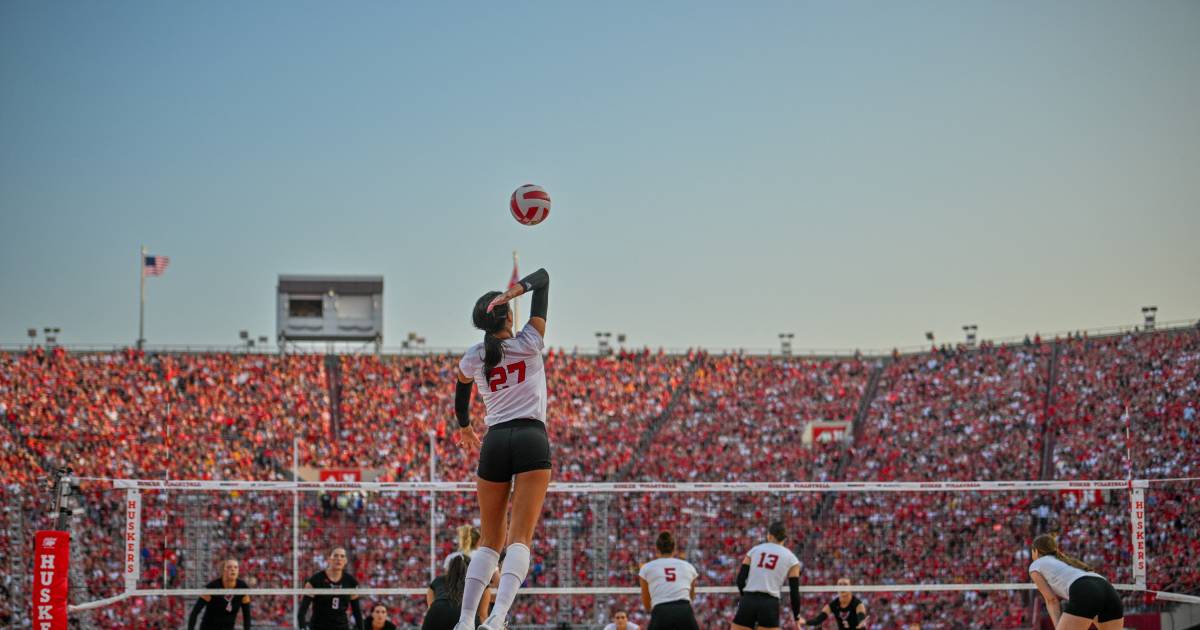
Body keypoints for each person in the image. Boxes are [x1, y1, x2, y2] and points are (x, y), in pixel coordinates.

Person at [452, 267, 552, 630]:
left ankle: (465, 620)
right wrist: (517, 291)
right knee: (520, 538)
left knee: (489, 541)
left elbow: (461, 391)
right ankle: (498, 617)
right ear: (509, 315)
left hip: (494, 440)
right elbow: (543, 277)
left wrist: (464, 426)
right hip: (530, 436)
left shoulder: (474, 355)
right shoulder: (529, 341)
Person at [1029, 534, 1124, 629]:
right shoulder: (1065, 560)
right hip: (1107, 588)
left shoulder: (1036, 565)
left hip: (1085, 589)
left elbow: (1052, 601)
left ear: (1035, 551)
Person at [732, 521, 801, 630]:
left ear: (769, 535)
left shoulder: (754, 551)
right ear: (785, 538)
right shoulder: (792, 559)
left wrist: (745, 599)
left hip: (749, 599)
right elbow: (794, 593)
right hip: (769, 603)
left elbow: (740, 580)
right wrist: (797, 616)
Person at [638, 531, 699, 630]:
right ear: (674, 549)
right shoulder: (688, 567)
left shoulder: (647, 568)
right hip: (684, 610)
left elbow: (646, 602)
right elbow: (691, 596)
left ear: (657, 549)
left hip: (661, 611)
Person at [298, 547, 363, 630]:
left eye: (342, 556)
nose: (339, 559)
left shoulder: (351, 582)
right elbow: (302, 611)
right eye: (335, 556)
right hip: (318, 627)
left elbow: (357, 612)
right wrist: (302, 628)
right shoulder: (315, 580)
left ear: (346, 561)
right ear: (329, 559)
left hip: (341, 627)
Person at [424, 555, 491, 630]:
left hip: (437, 612)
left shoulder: (436, 582)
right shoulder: (480, 583)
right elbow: (482, 615)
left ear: (450, 567)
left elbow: (431, 607)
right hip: (466, 615)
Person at [187, 558, 250, 630]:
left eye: (236, 567)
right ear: (223, 570)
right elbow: (195, 612)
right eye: (229, 567)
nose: (233, 569)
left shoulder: (242, 587)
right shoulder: (212, 587)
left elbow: (247, 615)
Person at [799, 578, 867, 629]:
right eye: (840, 584)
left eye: (845, 584)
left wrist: (861, 624)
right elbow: (818, 620)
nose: (842, 587)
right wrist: (805, 621)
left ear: (851, 587)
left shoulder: (858, 604)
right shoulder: (833, 605)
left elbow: (861, 620)